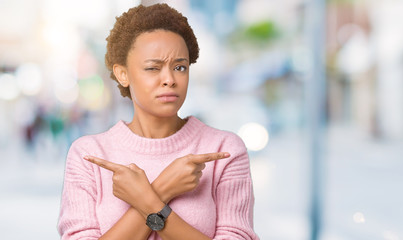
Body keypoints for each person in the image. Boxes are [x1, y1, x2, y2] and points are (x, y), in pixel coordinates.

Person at [58, 3, 259, 240]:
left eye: (180, 67)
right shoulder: (89, 155)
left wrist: (149, 199)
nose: (169, 79)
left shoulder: (223, 150)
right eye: (153, 68)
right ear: (123, 74)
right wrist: (164, 187)